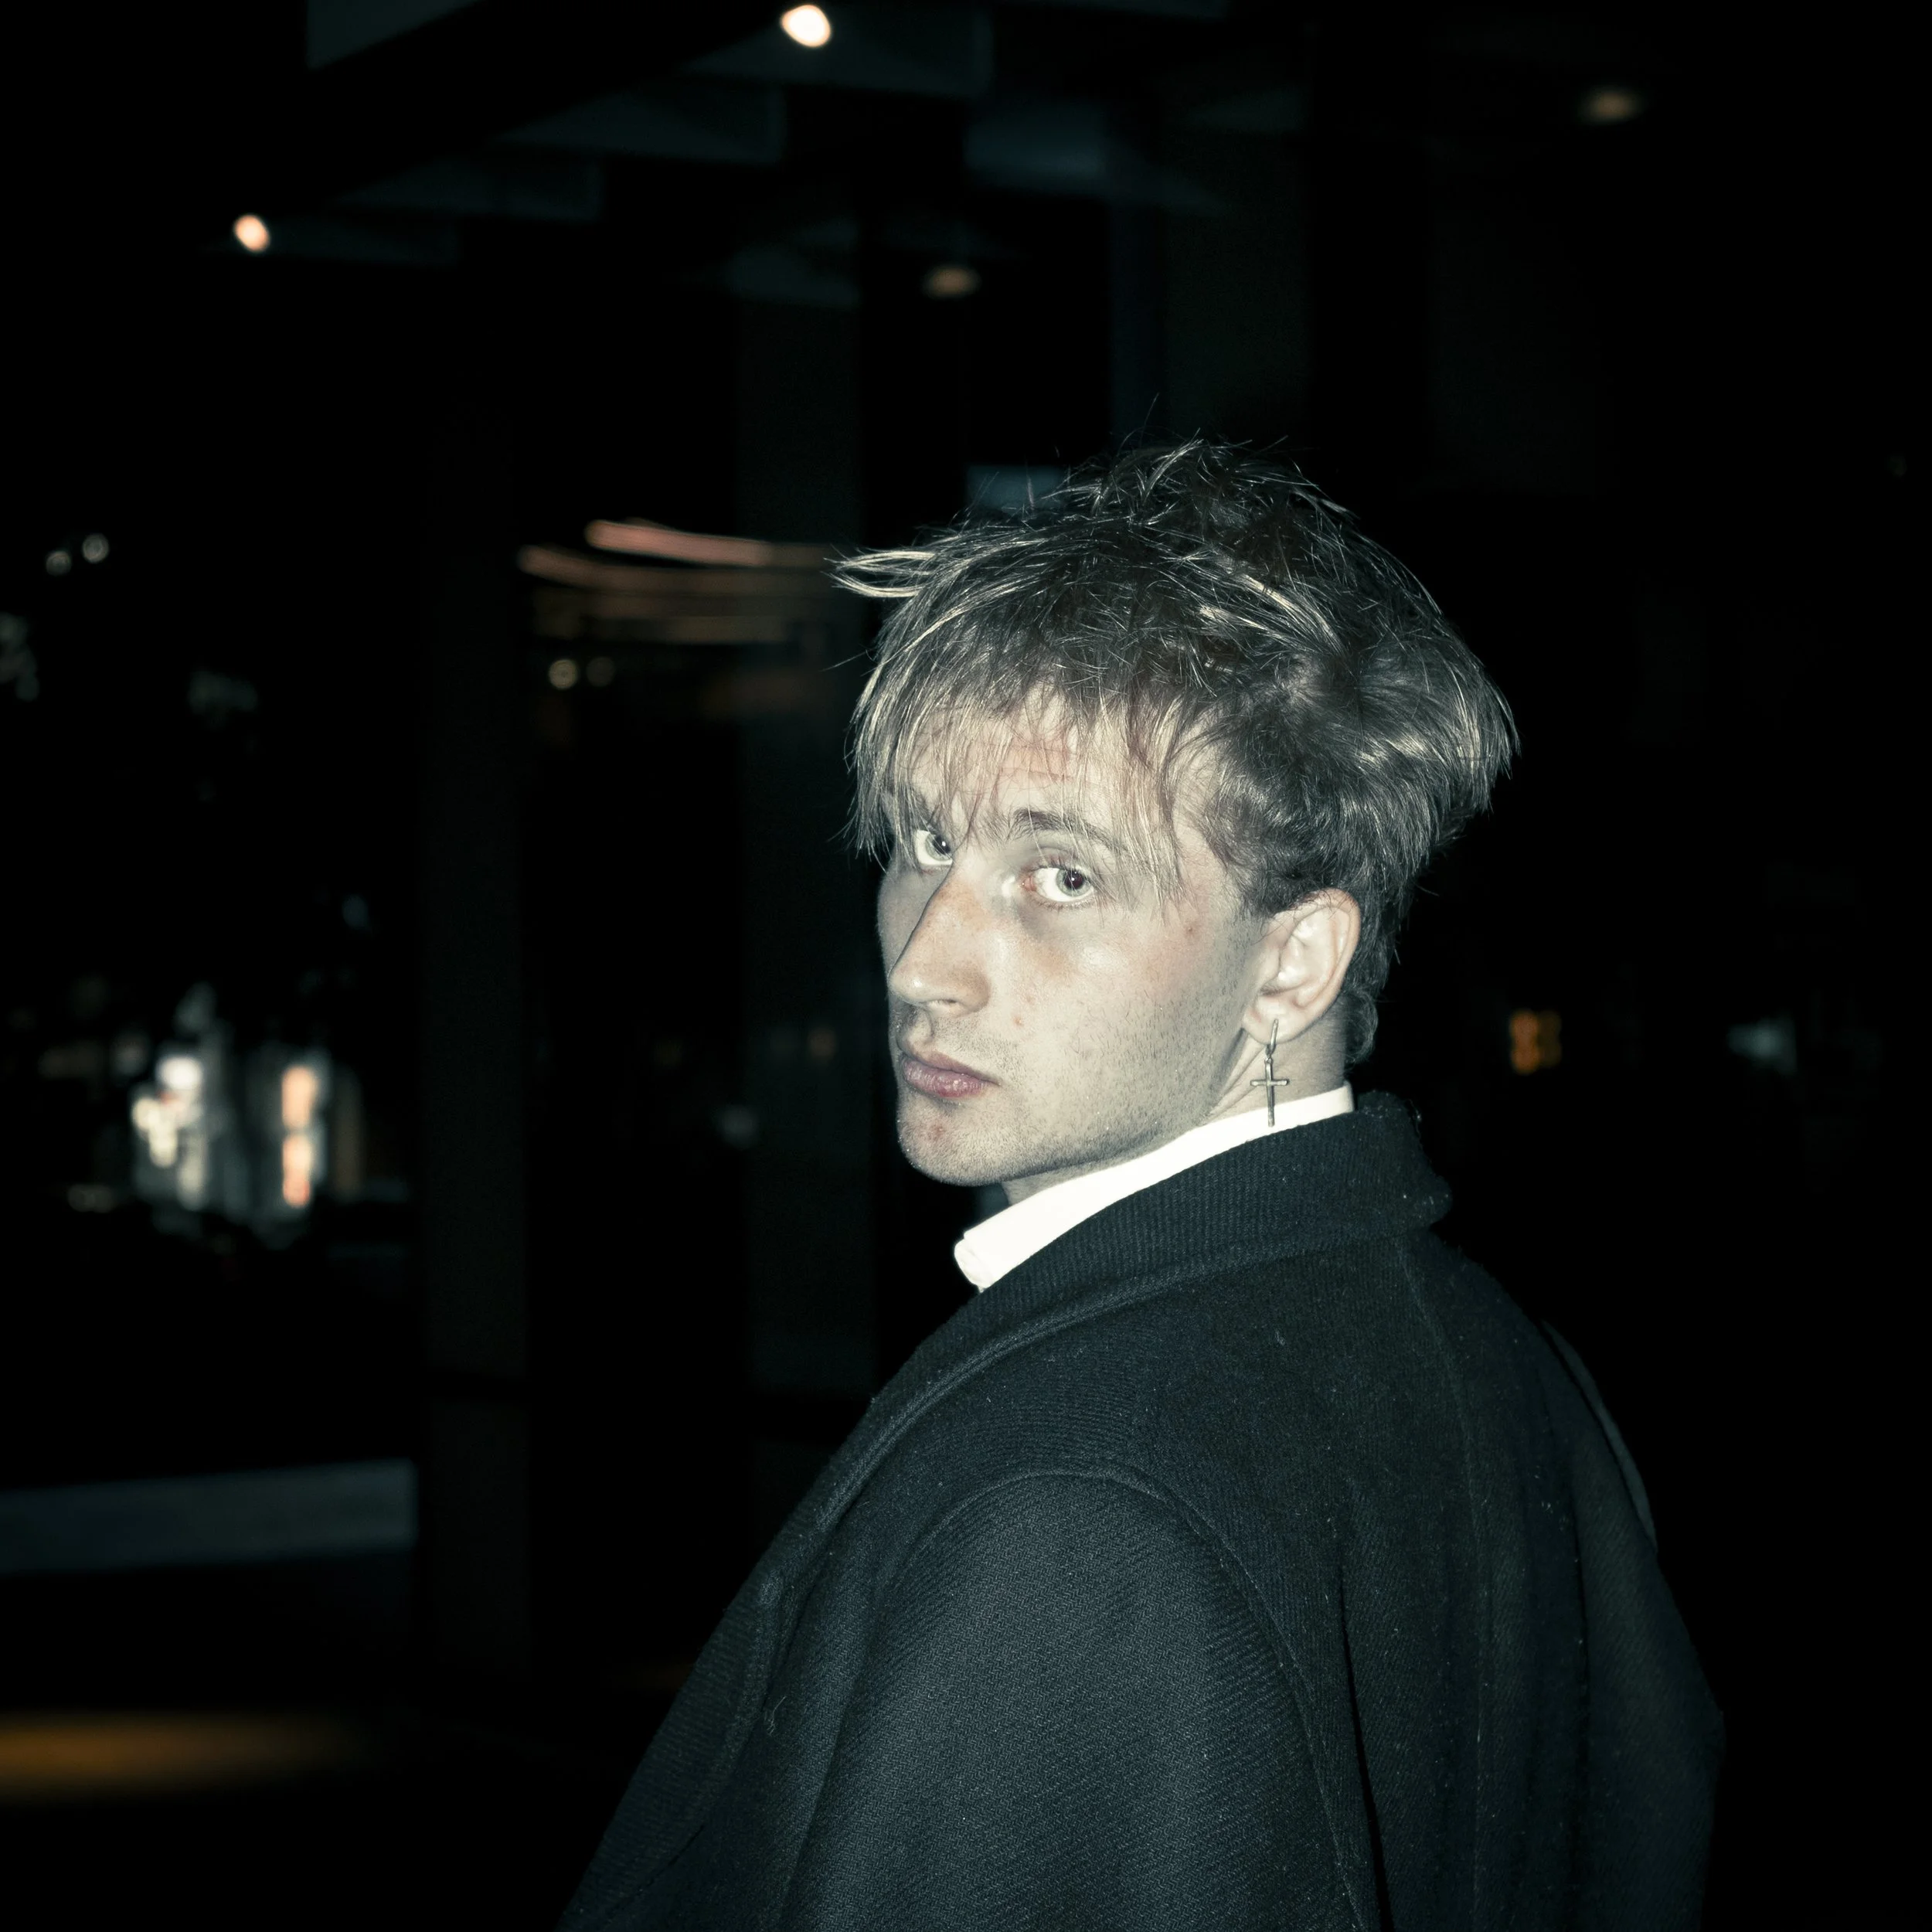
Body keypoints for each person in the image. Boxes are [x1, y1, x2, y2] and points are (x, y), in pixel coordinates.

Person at [562, 444, 1722, 1930]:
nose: (922, 960)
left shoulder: (1073, 1506)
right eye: (926, 842)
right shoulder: (1513, 1367)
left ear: (1291, 963)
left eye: (1062, 876)